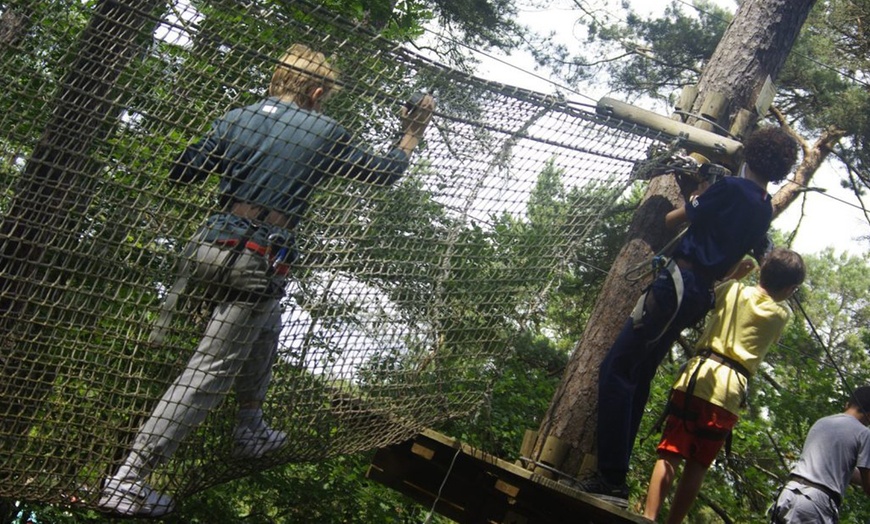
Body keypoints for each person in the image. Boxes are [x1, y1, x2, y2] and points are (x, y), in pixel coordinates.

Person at [97, 44, 435, 517]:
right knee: (208, 371)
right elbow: (384, 173)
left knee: (269, 323)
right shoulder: (324, 130)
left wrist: (237, 150)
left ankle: (249, 426)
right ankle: (128, 478)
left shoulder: (235, 117)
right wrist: (411, 133)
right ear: (316, 92)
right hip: (256, 261)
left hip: (209, 249)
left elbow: (183, 171)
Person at [576, 126, 799, 506]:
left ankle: (611, 478)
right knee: (639, 373)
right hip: (698, 292)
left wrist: (697, 191)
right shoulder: (763, 207)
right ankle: (613, 474)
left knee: (615, 368)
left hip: (677, 284)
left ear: (751, 151)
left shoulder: (729, 189)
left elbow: (678, 217)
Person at [642, 247, 806, 523]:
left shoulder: (732, 290)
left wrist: (736, 273)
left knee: (671, 452)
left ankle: (647, 517)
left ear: (762, 272)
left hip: (698, 377)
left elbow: (711, 294)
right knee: (698, 464)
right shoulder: (781, 315)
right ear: (790, 289)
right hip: (730, 393)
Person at [769, 387, 870, 523]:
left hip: (788, 495)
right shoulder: (864, 433)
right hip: (814, 504)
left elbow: (841, 470)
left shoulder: (822, 422)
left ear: (847, 404)